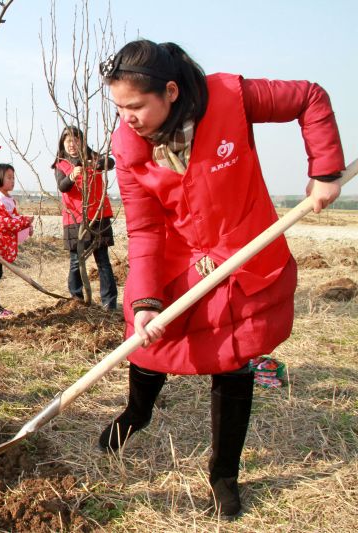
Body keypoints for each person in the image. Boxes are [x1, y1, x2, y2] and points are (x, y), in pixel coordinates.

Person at [99, 39, 343, 518]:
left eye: (135, 106)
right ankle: (136, 413)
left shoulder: (232, 98)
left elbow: (309, 97)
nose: (127, 118)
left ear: (170, 92)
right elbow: (146, 227)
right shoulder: (129, 148)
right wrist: (145, 299)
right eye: (118, 107)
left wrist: (326, 169)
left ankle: (224, 476)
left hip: (242, 251)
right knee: (149, 341)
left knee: (233, 362)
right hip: (177, 257)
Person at [52, 126, 117, 310]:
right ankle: (77, 298)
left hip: (98, 215)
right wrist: (72, 176)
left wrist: (94, 164)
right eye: (68, 141)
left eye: (76, 140)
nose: (72, 145)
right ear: (63, 144)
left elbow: (110, 163)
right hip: (75, 218)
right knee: (76, 261)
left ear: (82, 141)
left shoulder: (94, 158)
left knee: (102, 260)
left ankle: (109, 303)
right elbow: (63, 187)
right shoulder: (61, 165)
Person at [0, 163, 33, 317]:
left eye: (13, 178)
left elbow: (12, 218)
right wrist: (24, 221)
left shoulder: (8, 198)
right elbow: (2, 223)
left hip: (1, 246)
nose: (12, 181)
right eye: (9, 178)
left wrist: (25, 227)